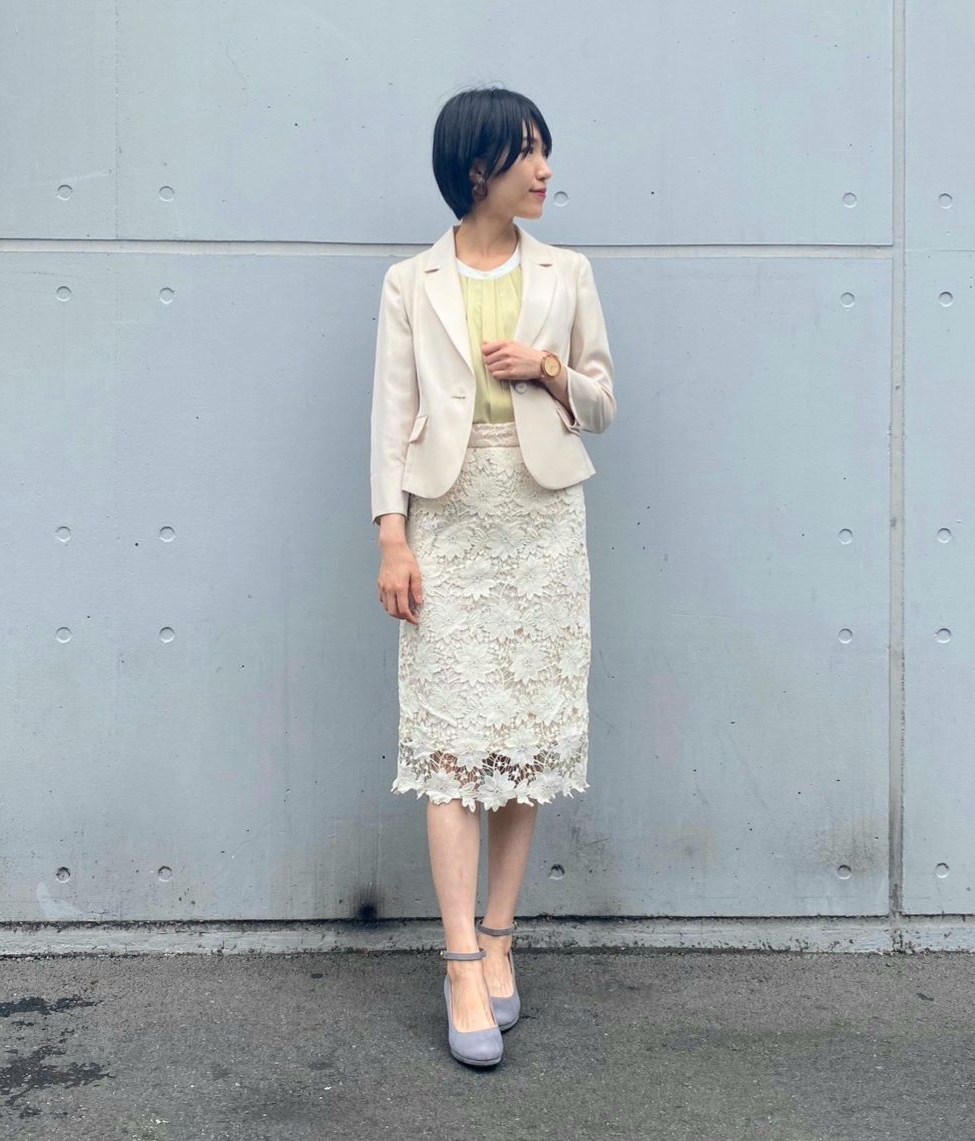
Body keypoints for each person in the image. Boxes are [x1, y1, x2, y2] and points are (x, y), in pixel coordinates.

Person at [369, 85, 616, 1067]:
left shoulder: (568, 271)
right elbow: (390, 417)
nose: (546, 169)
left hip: (542, 523)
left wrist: (549, 369)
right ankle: (460, 961)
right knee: (451, 749)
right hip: (448, 520)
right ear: (477, 169)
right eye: (527, 152)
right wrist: (393, 537)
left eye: (547, 150)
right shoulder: (409, 281)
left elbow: (603, 402)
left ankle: (502, 935)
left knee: (524, 739)